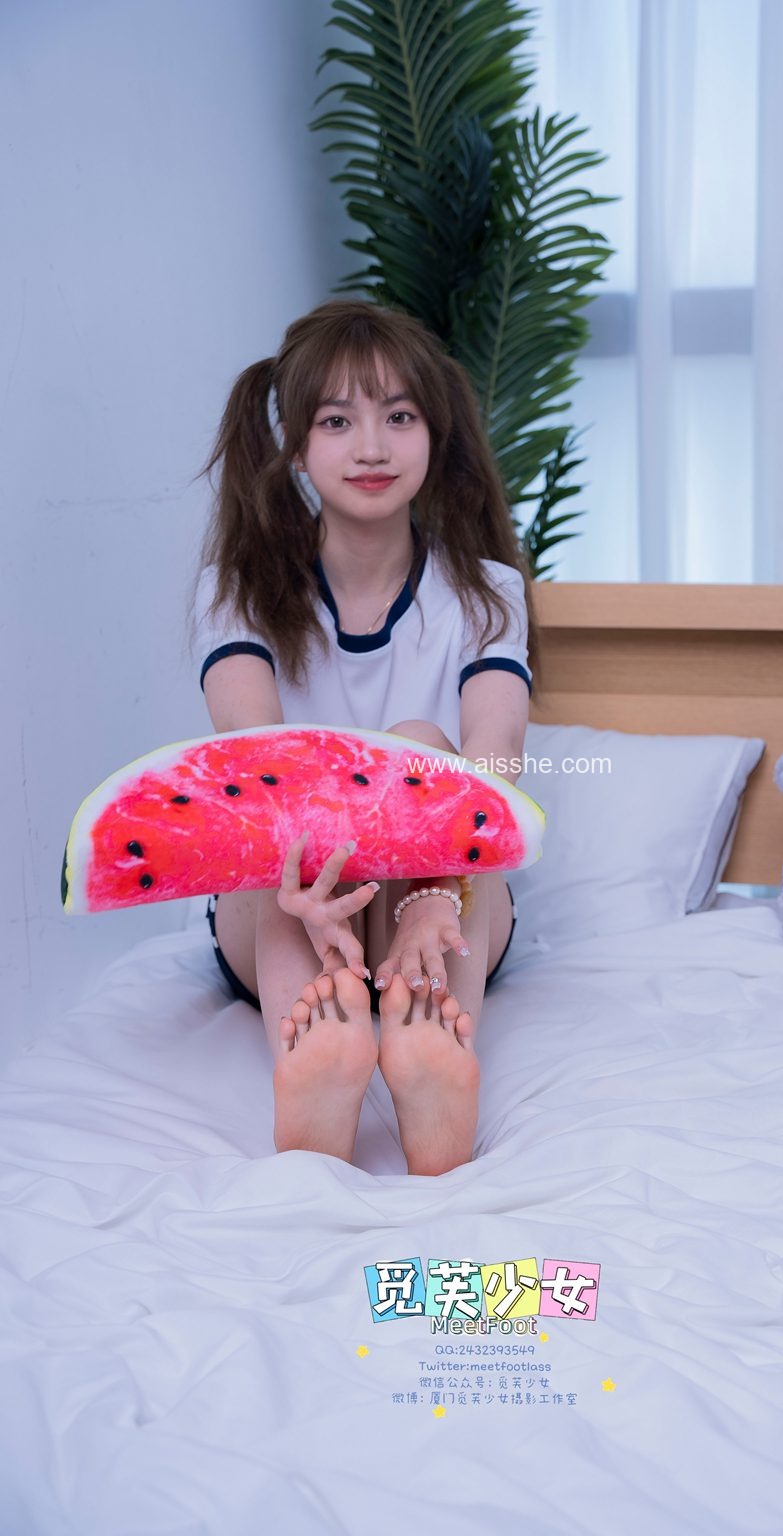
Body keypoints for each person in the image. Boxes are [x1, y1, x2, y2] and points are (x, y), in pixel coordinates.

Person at [190, 298, 540, 1176]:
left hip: (446, 899)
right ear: (295, 445)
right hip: (285, 896)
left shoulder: (488, 592)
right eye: (337, 421)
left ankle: (427, 1054)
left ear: (436, 433)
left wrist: (439, 888)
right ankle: (323, 1045)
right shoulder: (237, 591)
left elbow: (494, 758)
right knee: (289, 801)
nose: (373, 447)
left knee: (419, 743)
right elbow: (257, 769)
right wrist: (309, 892)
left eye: (400, 417)